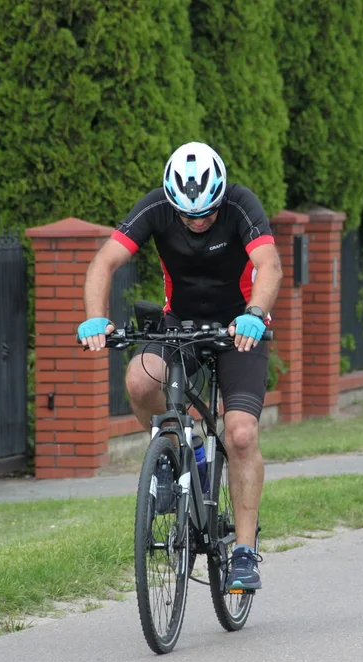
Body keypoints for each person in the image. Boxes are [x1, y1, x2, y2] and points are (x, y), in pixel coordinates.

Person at [78, 141, 283, 591]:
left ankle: (245, 553)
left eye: (206, 214)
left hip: (239, 328)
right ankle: (180, 452)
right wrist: (95, 315)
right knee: (139, 379)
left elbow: (268, 265)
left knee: (242, 433)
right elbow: (104, 260)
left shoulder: (241, 205)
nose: (197, 222)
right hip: (181, 324)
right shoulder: (156, 206)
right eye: (188, 215)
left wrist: (254, 312)